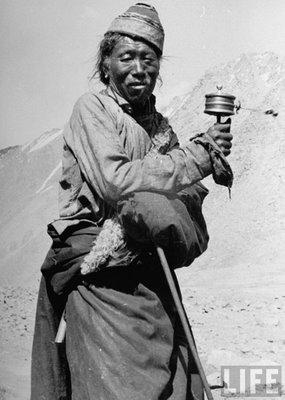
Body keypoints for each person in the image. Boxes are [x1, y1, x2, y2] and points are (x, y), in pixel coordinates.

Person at [31, 3, 233, 400]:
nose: (140, 68)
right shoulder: (92, 110)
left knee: (175, 384)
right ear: (105, 63)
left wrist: (206, 157)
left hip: (149, 277)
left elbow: (183, 192)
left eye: (150, 58)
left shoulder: (160, 127)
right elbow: (115, 182)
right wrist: (194, 159)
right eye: (127, 57)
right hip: (100, 279)